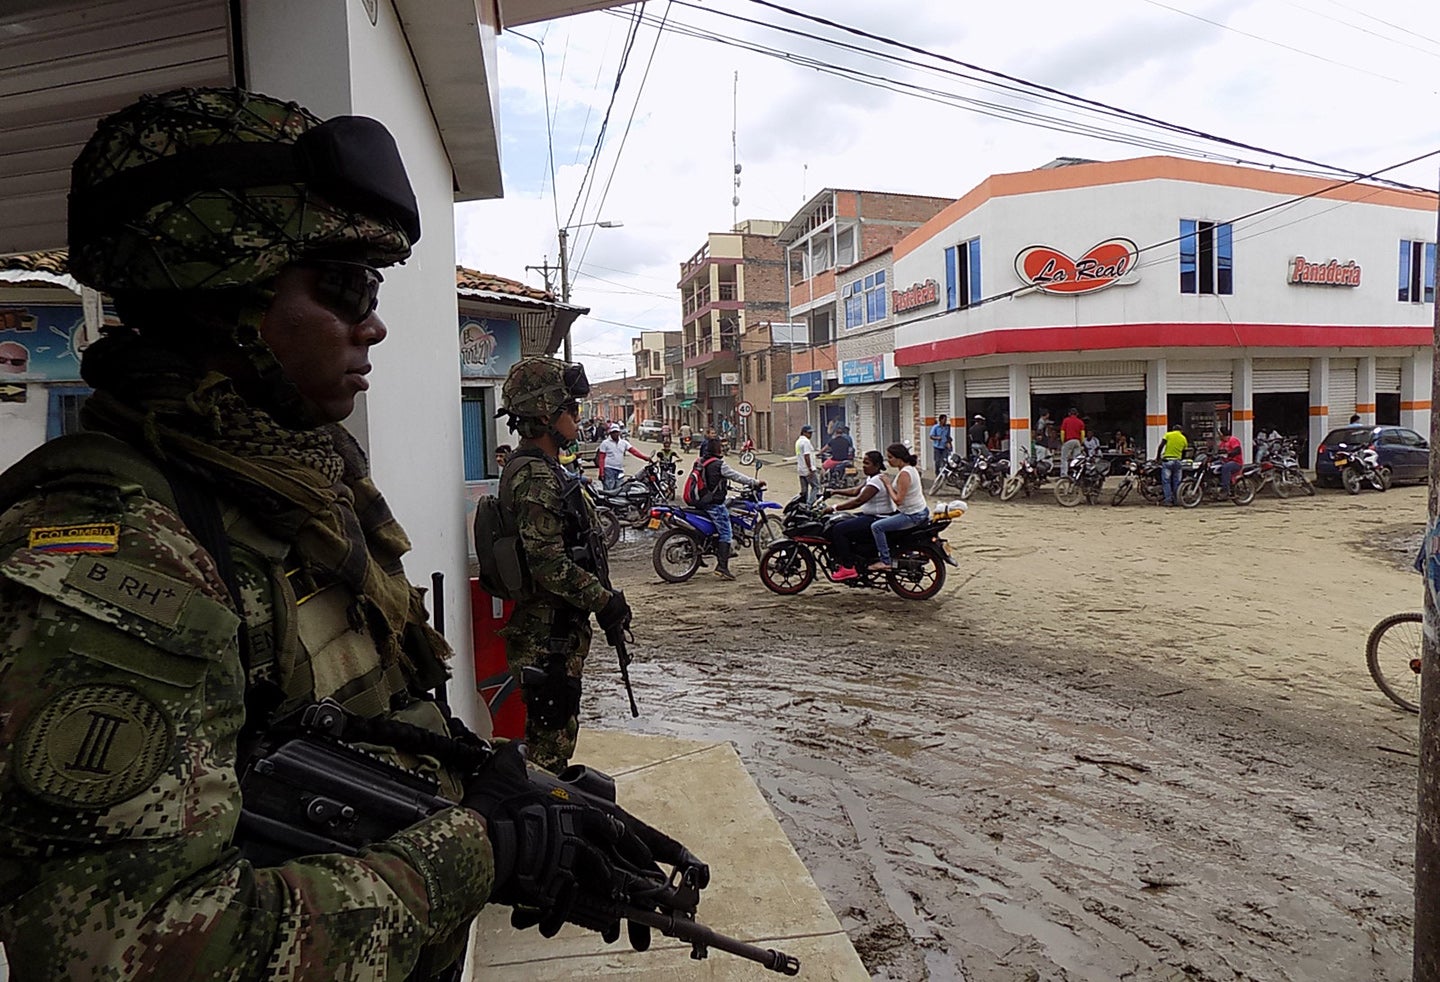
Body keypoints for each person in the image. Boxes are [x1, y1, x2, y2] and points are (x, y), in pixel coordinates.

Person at [0, 87, 644, 979]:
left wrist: (495, 795)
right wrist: (473, 854)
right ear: (219, 295)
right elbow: (133, 950)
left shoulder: (289, 487)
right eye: (343, 287)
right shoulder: (119, 550)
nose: (372, 323)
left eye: (370, 287)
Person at [497, 357, 631, 771]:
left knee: (554, 735)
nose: (577, 418)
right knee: (547, 754)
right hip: (547, 636)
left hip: (555, 632)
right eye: (570, 410)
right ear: (544, 415)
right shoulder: (535, 477)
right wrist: (604, 600)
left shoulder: (548, 470)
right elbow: (548, 564)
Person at [692, 437, 764, 580]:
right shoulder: (719, 464)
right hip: (714, 504)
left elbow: (710, 481)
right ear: (716, 449)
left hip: (701, 501)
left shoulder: (701, 462)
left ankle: (701, 557)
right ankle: (722, 567)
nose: (723, 448)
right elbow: (735, 475)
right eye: (720, 446)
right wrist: (754, 482)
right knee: (726, 533)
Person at [823, 450, 895, 580]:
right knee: (842, 520)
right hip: (871, 515)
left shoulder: (876, 482)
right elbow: (856, 491)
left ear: (877, 465)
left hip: (877, 518)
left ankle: (848, 567)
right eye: (863, 462)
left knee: (839, 529)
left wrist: (834, 507)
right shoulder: (872, 478)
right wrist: (834, 491)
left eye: (867, 463)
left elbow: (859, 500)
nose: (863, 466)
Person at [869, 443, 931, 571]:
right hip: (919, 510)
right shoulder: (910, 469)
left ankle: (885, 561)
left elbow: (898, 500)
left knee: (877, 527)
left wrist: (887, 485)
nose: (888, 460)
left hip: (912, 514)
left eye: (890, 457)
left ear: (899, 458)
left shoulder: (904, 474)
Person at [596, 423, 650, 490]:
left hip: (619, 470)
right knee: (609, 490)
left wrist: (645, 457)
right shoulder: (605, 443)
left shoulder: (623, 443)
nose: (615, 434)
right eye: (613, 432)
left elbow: (634, 451)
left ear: (619, 433)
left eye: (616, 432)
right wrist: (601, 472)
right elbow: (601, 459)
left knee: (620, 489)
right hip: (609, 469)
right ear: (610, 433)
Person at [1159, 421, 1189, 506]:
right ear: (1181, 430)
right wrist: (1181, 458)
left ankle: (1168, 500)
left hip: (1168, 461)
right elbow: (1185, 451)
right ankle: (1177, 500)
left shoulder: (1168, 435)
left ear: (1173, 430)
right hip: (1178, 462)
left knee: (1166, 481)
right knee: (1177, 481)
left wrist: (1158, 457)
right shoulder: (1183, 438)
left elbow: (1161, 446)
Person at [795, 423, 820, 504]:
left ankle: (803, 504)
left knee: (804, 490)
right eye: (809, 433)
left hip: (801, 469)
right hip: (807, 469)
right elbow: (806, 456)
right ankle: (809, 505)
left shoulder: (798, 441)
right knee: (816, 487)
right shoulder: (806, 442)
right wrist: (811, 469)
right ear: (804, 432)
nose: (811, 435)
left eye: (811, 433)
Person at [1217, 425, 1244, 494]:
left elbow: (1237, 450)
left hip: (1236, 463)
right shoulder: (1222, 443)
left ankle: (1225, 489)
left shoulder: (1233, 440)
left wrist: (1229, 454)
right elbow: (1219, 452)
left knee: (1226, 467)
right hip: (1225, 461)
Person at [1059, 407, 1085, 476]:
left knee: (1064, 458)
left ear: (1069, 413)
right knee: (1076, 459)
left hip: (1068, 440)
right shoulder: (1080, 422)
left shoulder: (1066, 420)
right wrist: (1081, 442)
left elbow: (1062, 432)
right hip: (1077, 441)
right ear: (1077, 414)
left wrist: (1063, 441)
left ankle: (1064, 474)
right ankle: (1076, 474)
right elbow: (1082, 434)